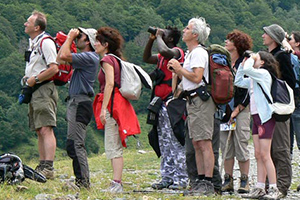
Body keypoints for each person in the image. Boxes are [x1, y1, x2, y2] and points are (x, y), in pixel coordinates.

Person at [167, 17, 216, 195]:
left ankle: (207, 182)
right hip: (192, 101)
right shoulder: (191, 53)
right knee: (197, 142)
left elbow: (196, 77)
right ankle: (201, 181)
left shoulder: (198, 53)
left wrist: (179, 69)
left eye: (187, 28)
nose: (184, 30)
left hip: (201, 101)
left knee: (204, 142)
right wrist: (178, 72)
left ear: (195, 34)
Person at [93, 27, 140, 193]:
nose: (95, 43)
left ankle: (116, 183)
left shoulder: (106, 60)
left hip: (113, 105)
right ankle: (116, 182)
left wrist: (103, 108)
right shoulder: (116, 59)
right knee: (115, 144)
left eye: (98, 41)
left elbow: (110, 83)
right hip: (120, 104)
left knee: (113, 146)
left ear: (105, 44)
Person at [143, 26, 188, 190]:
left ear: (169, 40)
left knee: (175, 141)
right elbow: (147, 57)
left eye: (165, 35)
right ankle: (167, 177)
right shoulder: (162, 56)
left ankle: (181, 178)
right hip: (160, 103)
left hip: (173, 103)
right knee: (164, 142)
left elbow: (165, 51)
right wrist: (151, 39)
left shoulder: (176, 52)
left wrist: (160, 37)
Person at [235, 51, 283, 199]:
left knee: (265, 154)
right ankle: (260, 187)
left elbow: (249, 70)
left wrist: (251, 58)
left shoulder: (263, 74)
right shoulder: (254, 78)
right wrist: (243, 65)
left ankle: (274, 188)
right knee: (258, 154)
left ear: (262, 62)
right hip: (256, 117)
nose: (253, 59)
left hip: (265, 117)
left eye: (257, 58)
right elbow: (238, 81)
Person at [57, 27, 99, 189]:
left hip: (80, 102)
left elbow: (64, 56)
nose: (76, 38)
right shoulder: (86, 57)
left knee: (76, 144)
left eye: (79, 36)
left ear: (88, 40)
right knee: (72, 144)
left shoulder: (90, 57)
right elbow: (60, 59)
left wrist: (69, 37)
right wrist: (68, 40)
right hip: (77, 102)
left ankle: (83, 183)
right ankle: (81, 181)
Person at [23, 10, 59, 179]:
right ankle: (42, 164)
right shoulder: (34, 43)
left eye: (28, 22)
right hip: (36, 90)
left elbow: (54, 68)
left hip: (43, 88)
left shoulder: (46, 42)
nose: (25, 24)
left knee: (46, 128)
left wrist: (35, 79)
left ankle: (48, 167)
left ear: (37, 27)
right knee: (39, 129)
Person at [262, 24, 295, 197]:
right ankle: (270, 184)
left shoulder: (282, 56)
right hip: (267, 107)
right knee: (268, 148)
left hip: (279, 108)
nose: (262, 36)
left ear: (273, 37)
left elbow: (290, 80)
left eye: (265, 34)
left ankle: (282, 186)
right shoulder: (269, 55)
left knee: (280, 148)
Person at [220, 30, 252, 194]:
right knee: (225, 145)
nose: (226, 42)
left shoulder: (245, 63)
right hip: (225, 110)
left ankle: (245, 179)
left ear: (237, 44)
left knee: (241, 143)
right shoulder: (224, 62)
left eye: (229, 40)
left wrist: (239, 108)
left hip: (242, 110)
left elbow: (248, 87)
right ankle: (228, 179)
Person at [286, 31, 300, 157]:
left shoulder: (295, 56)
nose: (288, 40)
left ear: (297, 43)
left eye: (290, 39)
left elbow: (293, 57)